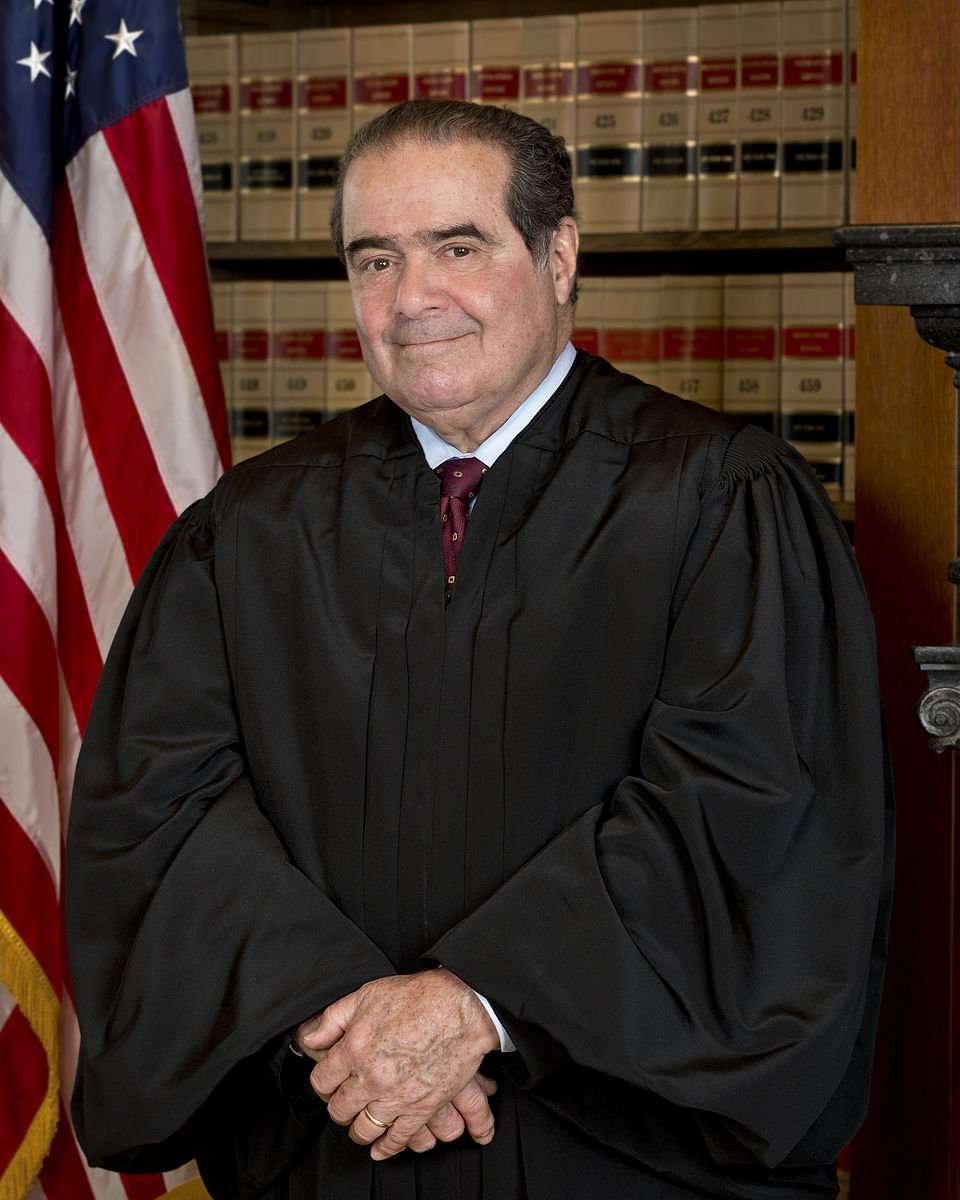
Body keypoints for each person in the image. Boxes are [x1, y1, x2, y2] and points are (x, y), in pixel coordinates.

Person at [66, 99, 893, 1200]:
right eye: (376, 260)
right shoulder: (250, 528)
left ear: (560, 256)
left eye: (459, 247)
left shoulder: (718, 501)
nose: (413, 298)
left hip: (622, 1164)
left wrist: (481, 1004)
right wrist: (340, 1019)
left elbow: (751, 810)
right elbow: (162, 814)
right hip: (339, 1141)